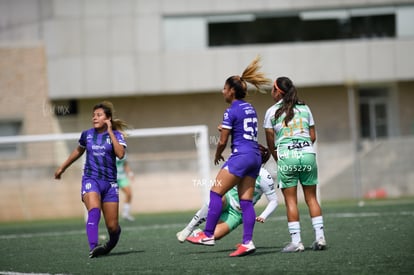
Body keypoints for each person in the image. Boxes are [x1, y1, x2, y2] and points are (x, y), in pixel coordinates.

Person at [186, 56, 272, 257]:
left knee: (216, 193)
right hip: (254, 157)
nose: (222, 91)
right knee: (246, 202)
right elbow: (242, 129)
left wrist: (217, 154)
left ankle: (207, 234)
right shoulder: (250, 108)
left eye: (224, 88)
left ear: (231, 91)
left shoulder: (231, 110)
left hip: (240, 155)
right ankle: (247, 242)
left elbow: (222, 141)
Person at [54, 101, 128, 258]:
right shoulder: (86, 134)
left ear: (107, 118)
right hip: (91, 179)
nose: (94, 118)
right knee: (94, 211)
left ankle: (109, 245)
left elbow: (120, 154)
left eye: (99, 115)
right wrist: (62, 167)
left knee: (113, 227)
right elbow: (78, 151)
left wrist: (110, 131)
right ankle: (93, 247)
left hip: (110, 184)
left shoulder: (116, 135)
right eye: (93, 115)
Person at [263, 76, 326, 253]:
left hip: (286, 157)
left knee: (291, 201)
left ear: (278, 92)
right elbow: (312, 136)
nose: (271, 92)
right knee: (312, 198)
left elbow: (270, 142)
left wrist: (279, 157)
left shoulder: (271, 112)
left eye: (272, 89)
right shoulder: (305, 108)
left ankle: (297, 242)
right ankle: (320, 238)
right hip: (307, 155)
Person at [177, 145, 278, 242]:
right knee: (217, 198)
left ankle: (197, 233)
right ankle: (189, 228)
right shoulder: (238, 163)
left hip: (237, 213)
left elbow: (274, 200)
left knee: (213, 236)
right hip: (228, 199)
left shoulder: (264, 177)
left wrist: (264, 215)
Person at [116, 155, 135, 221]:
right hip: (112, 177)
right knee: (112, 197)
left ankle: (125, 213)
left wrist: (130, 173)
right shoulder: (109, 150)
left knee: (129, 194)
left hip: (122, 177)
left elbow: (125, 164)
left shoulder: (123, 152)